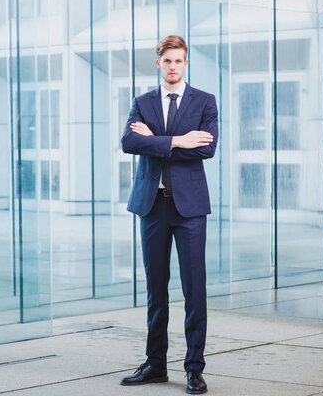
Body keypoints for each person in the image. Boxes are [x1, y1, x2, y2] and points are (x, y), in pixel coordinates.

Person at [119, 34, 218, 395]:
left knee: (195, 290)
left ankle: (194, 368)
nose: (173, 66)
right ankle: (155, 364)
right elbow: (129, 143)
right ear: (158, 63)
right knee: (155, 290)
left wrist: (156, 141)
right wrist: (178, 140)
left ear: (185, 62)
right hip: (152, 206)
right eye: (167, 61)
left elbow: (206, 149)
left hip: (189, 210)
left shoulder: (205, 101)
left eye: (179, 60)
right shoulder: (142, 102)